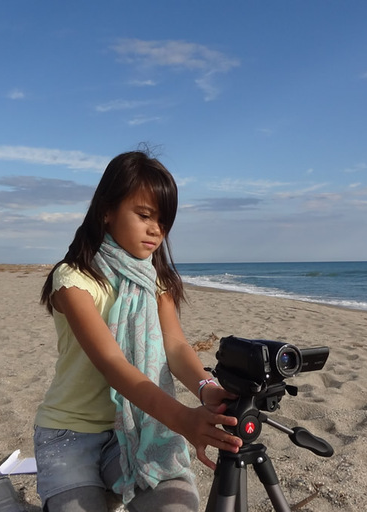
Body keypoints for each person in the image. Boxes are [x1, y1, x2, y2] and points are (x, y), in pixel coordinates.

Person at [34, 149, 243, 511]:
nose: (156, 230)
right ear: (107, 210)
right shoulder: (72, 280)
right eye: (145, 215)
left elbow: (175, 346)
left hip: (139, 427)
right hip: (69, 434)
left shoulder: (156, 279)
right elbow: (112, 363)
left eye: (163, 221)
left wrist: (205, 388)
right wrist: (182, 419)